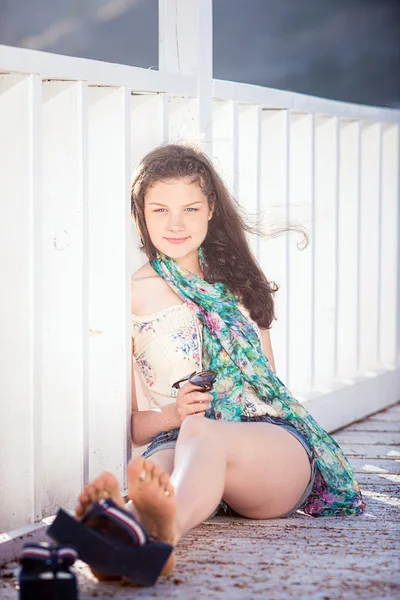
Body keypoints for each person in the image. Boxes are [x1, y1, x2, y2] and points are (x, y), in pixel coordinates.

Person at [75, 143, 365, 579]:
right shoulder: (129, 296)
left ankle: (159, 534)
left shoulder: (241, 284)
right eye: (160, 210)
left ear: (210, 209)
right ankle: (124, 536)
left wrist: (194, 420)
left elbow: (270, 393)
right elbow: (135, 427)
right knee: (156, 466)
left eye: (190, 209)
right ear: (141, 214)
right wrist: (172, 412)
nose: (176, 224)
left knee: (202, 431)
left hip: (266, 447)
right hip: (177, 443)